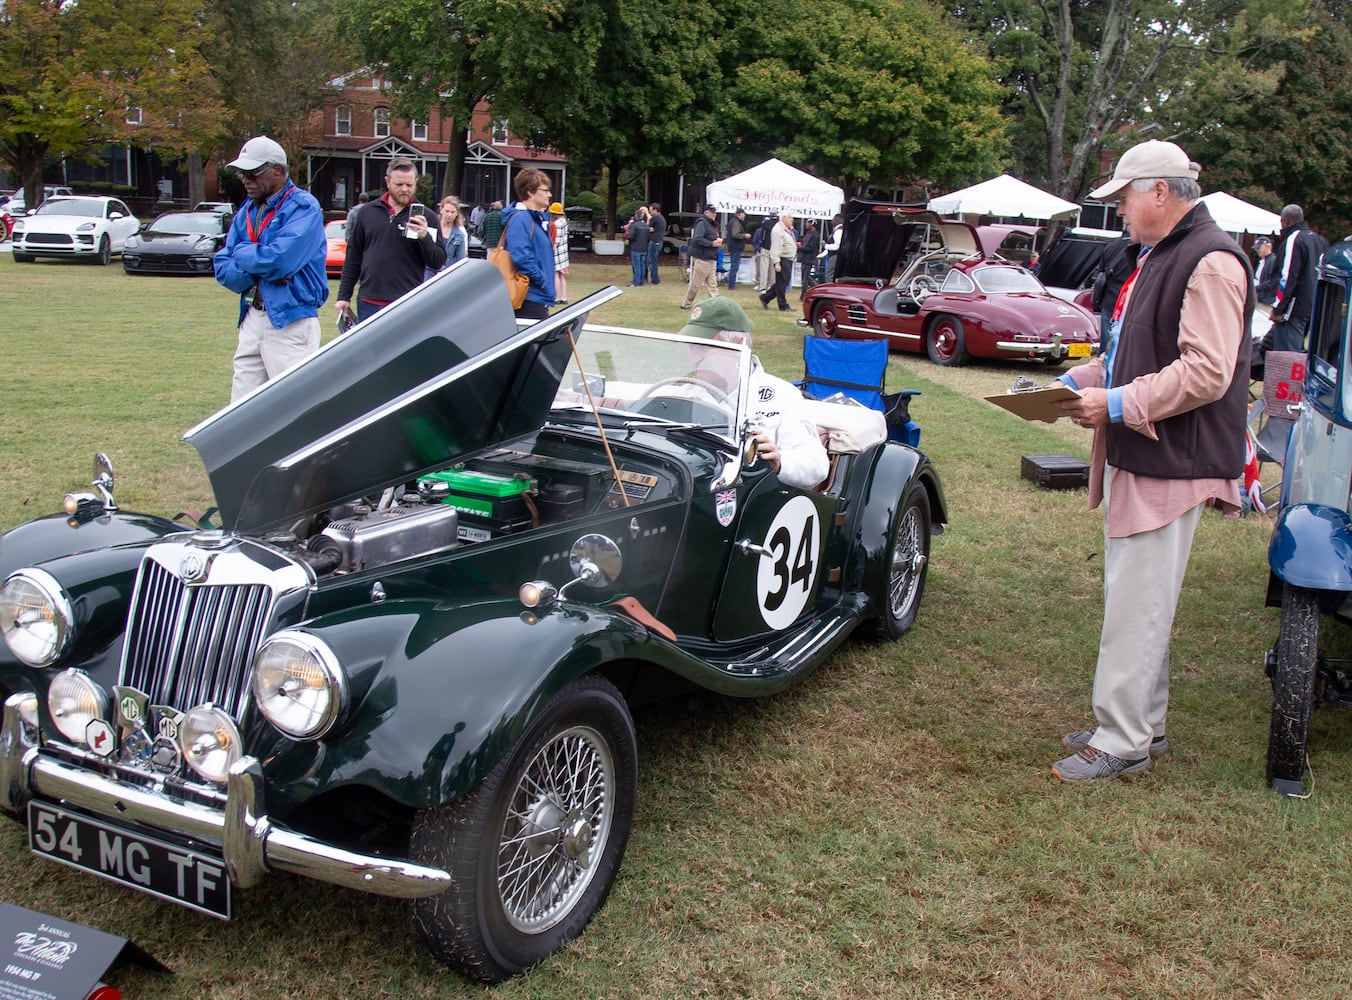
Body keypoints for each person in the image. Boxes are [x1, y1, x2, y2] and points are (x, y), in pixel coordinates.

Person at [1049, 139, 1253, 782]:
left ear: (1160, 192)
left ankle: (1124, 738)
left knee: (1138, 601)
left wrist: (1114, 401)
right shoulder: (1165, 255)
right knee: (1141, 597)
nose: (1121, 212)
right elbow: (1149, 353)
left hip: (1174, 460)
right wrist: (1092, 377)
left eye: (1126, 197)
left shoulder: (1209, 261)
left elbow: (1207, 372)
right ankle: (1143, 723)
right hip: (1154, 452)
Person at [213, 136, 329, 402]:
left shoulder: (304, 207)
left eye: (252, 173)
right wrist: (256, 263)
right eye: (243, 173)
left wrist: (243, 253)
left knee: (295, 406)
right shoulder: (246, 211)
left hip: (291, 320)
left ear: (277, 170)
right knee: (240, 408)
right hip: (252, 316)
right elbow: (222, 266)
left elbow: (279, 262)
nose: (245, 179)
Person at [677, 296, 828, 490]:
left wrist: (779, 460)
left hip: (757, 504)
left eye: (703, 347)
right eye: (691, 346)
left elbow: (816, 465)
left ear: (738, 345)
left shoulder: (783, 396)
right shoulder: (683, 394)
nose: (694, 357)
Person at [336, 156, 445, 323]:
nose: (404, 189)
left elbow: (437, 261)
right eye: (399, 184)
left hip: (407, 302)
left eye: (409, 185)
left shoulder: (427, 217)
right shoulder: (367, 212)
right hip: (369, 301)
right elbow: (354, 256)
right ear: (387, 182)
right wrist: (344, 296)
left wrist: (424, 237)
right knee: (369, 349)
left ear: (416, 182)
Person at [1256, 204, 1326, 364]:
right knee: (1300, 356)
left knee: (1287, 360)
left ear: (1285, 222)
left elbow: (1287, 276)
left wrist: (1279, 308)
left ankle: (1288, 388)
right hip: (1313, 306)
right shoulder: (1319, 240)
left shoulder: (1294, 239)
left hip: (1293, 309)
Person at [501, 167, 556, 320]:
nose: (549, 195)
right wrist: (541, 280)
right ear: (531, 192)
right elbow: (522, 257)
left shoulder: (533, 219)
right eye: (545, 190)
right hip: (528, 297)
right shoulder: (522, 219)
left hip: (535, 295)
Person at [680, 204, 723, 309]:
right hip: (703, 257)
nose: (715, 214)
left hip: (711, 257)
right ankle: (686, 303)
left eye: (715, 212)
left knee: (712, 284)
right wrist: (712, 243)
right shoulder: (702, 223)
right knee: (696, 283)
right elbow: (697, 239)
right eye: (712, 212)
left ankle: (716, 304)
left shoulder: (711, 224)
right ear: (706, 212)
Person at [759, 211, 797, 312]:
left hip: (787, 259)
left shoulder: (785, 229)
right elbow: (775, 248)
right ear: (783, 218)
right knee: (781, 284)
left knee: (781, 283)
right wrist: (777, 262)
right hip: (782, 259)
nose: (792, 219)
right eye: (790, 217)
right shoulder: (778, 230)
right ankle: (783, 305)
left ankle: (765, 297)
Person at [432, 197, 468, 278]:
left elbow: (460, 260)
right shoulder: (432, 228)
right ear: (441, 210)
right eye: (447, 211)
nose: (449, 215)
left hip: (448, 274)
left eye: (452, 212)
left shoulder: (460, 234)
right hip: (430, 271)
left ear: (457, 214)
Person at [723, 208, 749, 290]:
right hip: (735, 247)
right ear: (739, 214)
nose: (744, 215)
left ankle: (732, 284)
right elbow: (735, 234)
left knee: (734, 266)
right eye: (743, 214)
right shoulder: (736, 222)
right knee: (734, 266)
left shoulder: (734, 221)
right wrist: (745, 235)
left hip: (733, 246)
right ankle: (731, 285)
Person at [627, 206, 650, 286]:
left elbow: (631, 236)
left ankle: (636, 282)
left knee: (636, 265)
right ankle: (642, 281)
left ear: (636, 216)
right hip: (644, 248)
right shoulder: (646, 226)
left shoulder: (635, 225)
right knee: (642, 265)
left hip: (636, 247)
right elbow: (649, 237)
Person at [797, 219, 820, 299]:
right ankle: (818, 288)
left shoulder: (814, 235)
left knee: (805, 279)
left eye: (808, 222)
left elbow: (810, 248)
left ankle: (803, 296)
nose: (806, 224)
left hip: (808, 259)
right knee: (807, 277)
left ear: (812, 224)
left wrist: (800, 247)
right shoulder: (809, 233)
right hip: (805, 258)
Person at [752, 215, 775, 292]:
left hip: (767, 248)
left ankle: (766, 285)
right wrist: (758, 249)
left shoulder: (769, 227)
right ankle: (762, 284)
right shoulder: (759, 230)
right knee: (763, 268)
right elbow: (755, 241)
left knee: (767, 268)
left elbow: (762, 238)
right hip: (765, 249)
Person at [646, 203, 666, 284]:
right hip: (659, 241)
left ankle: (655, 280)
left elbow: (647, 226)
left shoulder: (655, 217)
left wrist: (647, 214)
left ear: (655, 210)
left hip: (655, 241)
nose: (650, 212)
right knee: (653, 260)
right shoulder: (661, 218)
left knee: (652, 261)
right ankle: (655, 279)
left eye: (650, 210)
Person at [821, 214, 843, 282]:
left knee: (829, 275)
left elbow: (837, 246)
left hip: (835, 256)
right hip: (835, 256)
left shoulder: (838, 231)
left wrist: (825, 246)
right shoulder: (838, 230)